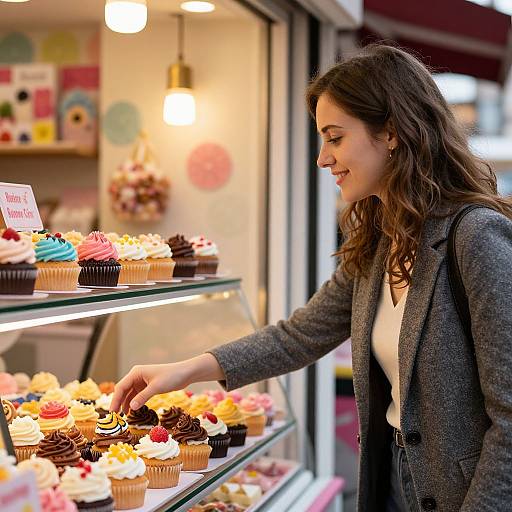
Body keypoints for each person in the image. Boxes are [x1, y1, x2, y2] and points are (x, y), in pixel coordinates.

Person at [111, 44, 512, 511]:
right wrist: (185, 370)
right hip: (393, 480)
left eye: (335, 137)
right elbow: (298, 335)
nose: (323, 159)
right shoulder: (381, 239)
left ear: (392, 133)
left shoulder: (476, 236)